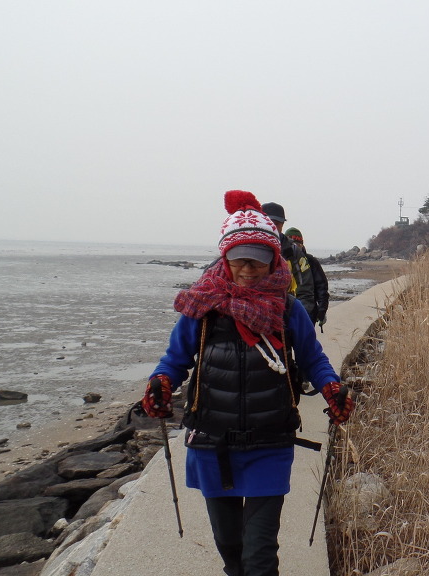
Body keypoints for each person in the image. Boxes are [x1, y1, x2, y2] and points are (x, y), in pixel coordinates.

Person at [140, 190, 355, 576]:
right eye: (240, 261)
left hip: (269, 442)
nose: (248, 270)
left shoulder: (288, 309)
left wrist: (332, 388)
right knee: (231, 553)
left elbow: (313, 359)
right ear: (225, 258)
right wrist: (160, 384)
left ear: (273, 260)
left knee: (259, 555)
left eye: (258, 262)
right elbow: (175, 360)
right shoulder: (202, 306)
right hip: (211, 443)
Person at [260, 202, 327, 328]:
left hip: (287, 319)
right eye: (268, 222)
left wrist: (303, 320)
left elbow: (310, 289)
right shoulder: (247, 249)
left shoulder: (295, 254)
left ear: (282, 225)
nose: (272, 227)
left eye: (277, 223)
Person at [283, 226, 329, 328]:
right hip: (285, 310)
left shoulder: (311, 261)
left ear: (302, 245)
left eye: (298, 244)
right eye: (292, 244)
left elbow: (322, 287)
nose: (295, 247)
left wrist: (322, 310)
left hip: (308, 310)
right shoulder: (281, 261)